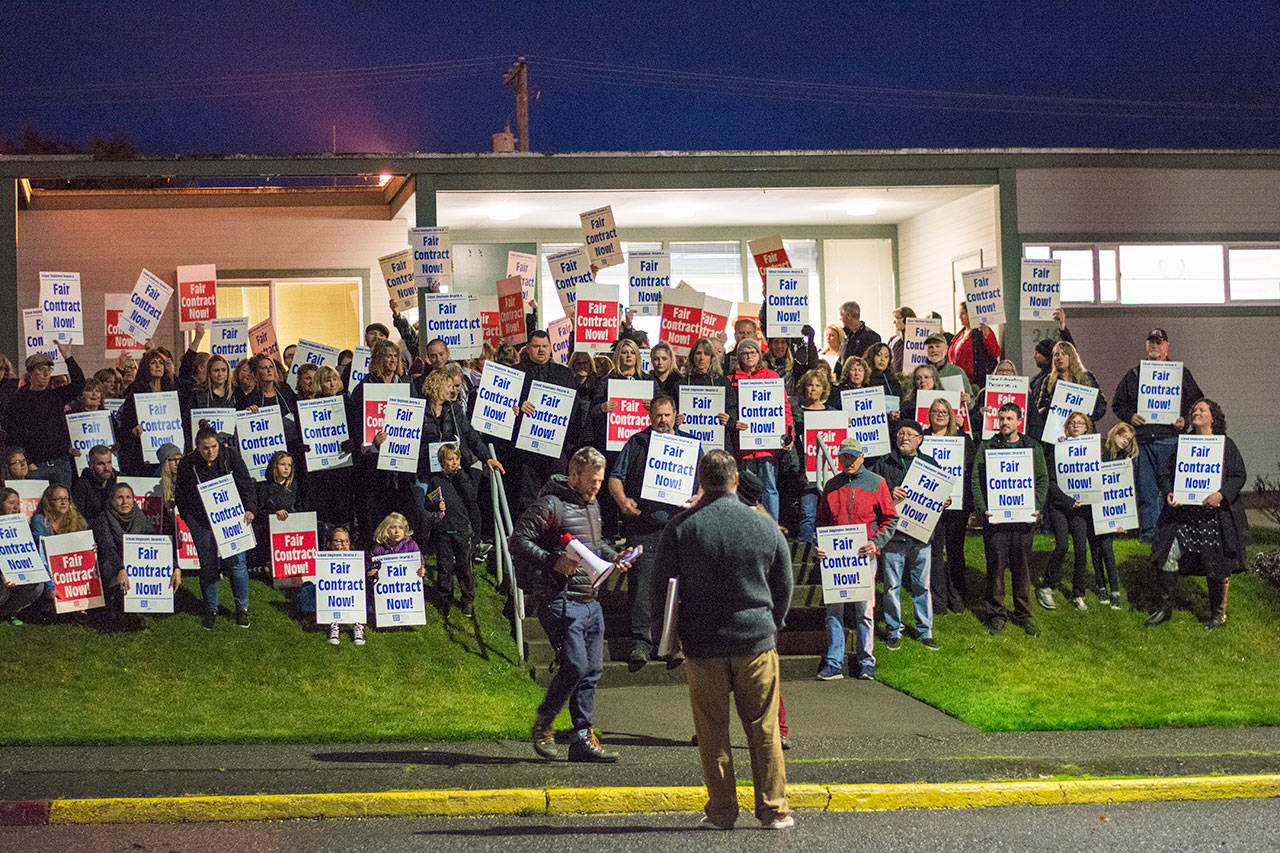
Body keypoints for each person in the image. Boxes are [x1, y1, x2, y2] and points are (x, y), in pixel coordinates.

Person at [653, 449, 794, 830]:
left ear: (701, 481)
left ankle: (721, 812)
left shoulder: (682, 527)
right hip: (756, 641)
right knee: (763, 728)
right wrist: (773, 622)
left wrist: (664, 635)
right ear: (735, 480)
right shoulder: (764, 525)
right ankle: (774, 808)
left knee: (713, 732)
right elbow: (785, 581)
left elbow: (661, 586)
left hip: (703, 645)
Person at [510, 446, 632, 764]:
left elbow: (594, 544)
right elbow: (518, 540)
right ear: (574, 474)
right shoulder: (552, 503)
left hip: (591, 600)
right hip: (560, 600)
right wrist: (553, 561)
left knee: (591, 671)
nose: (596, 487)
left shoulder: (592, 506)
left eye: (600, 481)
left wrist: (614, 556)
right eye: (592, 480)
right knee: (576, 665)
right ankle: (544, 724)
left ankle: (581, 739)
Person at [607, 395, 702, 669]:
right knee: (642, 588)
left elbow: (706, 479)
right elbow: (615, 477)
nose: (662, 420)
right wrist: (623, 501)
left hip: (679, 529)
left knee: (679, 588)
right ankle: (640, 643)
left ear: (675, 415)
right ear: (651, 416)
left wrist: (699, 496)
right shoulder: (637, 442)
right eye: (658, 416)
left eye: (667, 415)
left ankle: (673, 644)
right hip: (644, 528)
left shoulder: (690, 444)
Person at [1146, 399, 1247, 628]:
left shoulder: (1225, 445)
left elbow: (1239, 476)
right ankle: (1165, 608)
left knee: (1215, 564)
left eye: (1202, 409)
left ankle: (1217, 614)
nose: (1196, 412)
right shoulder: (1183, 444)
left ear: (1214, 417)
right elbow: (1164, 474)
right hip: (1183, 516)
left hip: (1213, 516)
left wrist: (1221, 495)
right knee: (1168, 553)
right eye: (1194, 410)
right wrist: (1169, 492)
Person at [1111, 328, 1205, 541]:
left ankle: (1174, 533)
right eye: (1151, 342)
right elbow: (1118, 403)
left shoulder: (1179, 373)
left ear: (1166, 346)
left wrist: (1185, 418)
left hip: (1169, 440)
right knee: (1146, 490)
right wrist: (1130, 416)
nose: (1154, 345)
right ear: (1146, 345)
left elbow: (1197, 400)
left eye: (1159, 342)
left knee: (1172, 491)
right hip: (1143, 442)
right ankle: (1150, 534)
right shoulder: (1134, 374)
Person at [815, 438, 897, 681]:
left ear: (862, 458)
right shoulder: (831, 485)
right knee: (834, 610)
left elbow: (890, 518)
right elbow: (820, 522)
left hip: (864, 557)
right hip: (835, 559)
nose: (848, 461)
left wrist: (876, 542)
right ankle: (834, 662)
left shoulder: (876, 483)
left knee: (864, 611)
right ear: (838, 458)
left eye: (852, 457)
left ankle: (866, 661)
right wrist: (818, 546)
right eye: (844, 457)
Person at [972, 403, 1048, 637]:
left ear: (1019, 420)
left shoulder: (1032, 447)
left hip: (1023, 520)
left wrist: (1035, 507)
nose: (1005, 422)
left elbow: (1043, 479)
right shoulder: (987, 446)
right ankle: (996, 613)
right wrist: (983, 510)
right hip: (995, 521)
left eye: (1009, 418)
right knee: (995, 567)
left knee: (1021, 567)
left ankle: (1023, 614)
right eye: (1001, 418)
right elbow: (976, 480)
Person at [871, 420, 944, 651]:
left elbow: (939, 495)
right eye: (901, 433)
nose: (904, 437)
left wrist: (943, 500)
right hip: (894, 536)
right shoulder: (884, 463)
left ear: (920, 439)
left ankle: (925, 631)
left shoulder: (930, 464)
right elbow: (873, 498)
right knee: (892, 586)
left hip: (921, 537)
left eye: (910, 434)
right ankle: (894, 631)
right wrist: (888, 494)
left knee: (922, 585)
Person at [176, 426, 257, 630]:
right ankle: (211, 609)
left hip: (231, 517)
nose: (210, 451)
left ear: (219, 445)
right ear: (197, 448)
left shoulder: (231, 457)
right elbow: (181, 493)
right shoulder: (188, 463)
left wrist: (250, 509)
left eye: (213, 447)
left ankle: (242, 609)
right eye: (205, 448)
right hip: (201, 520)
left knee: (237, 563)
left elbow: (246, 483)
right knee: (208, 564)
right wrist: (189, 518)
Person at [512, 330, 584, 513]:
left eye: (545, 346)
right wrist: (519, 406)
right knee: (528, 496)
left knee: (559, 490)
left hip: (555, 447)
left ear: (551, 348)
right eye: (536, 346)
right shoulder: (516, 373)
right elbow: (507, 404)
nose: (541, 350)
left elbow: (574, 408)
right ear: (528, 349)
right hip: (526, 449)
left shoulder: (564, 373)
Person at [92, 481, 177, 629]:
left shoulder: (140, 517)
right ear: (111, 500)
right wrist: (121, 569)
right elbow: (107, 547)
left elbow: (155, 543)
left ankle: (138, 606)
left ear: (133, 499)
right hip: (112, 561)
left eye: (128, 497)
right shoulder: (103, 518)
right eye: (119, 498)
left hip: (135, 561)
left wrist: (176, 566)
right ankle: (113, 608)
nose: (125, 501)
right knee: (108, 566)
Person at [726, 338, 794, 521]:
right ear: (738, 357)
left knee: (769, 488)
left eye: (752, 352)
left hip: (767, 445)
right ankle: (749, 527)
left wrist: (789, 435)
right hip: (743, 447)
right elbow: (726, 410)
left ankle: (773, 529)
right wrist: (734, 422)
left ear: (759, 355)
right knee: (746, 490)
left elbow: (784, 408)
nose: (749, 356)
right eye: (744, 353)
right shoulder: (730, 379)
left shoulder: (771, 376)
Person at [5, 347, 84, 488]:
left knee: (62, 507)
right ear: (30, 373)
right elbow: (15, 435)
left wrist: (68, 357)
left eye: (49, 369)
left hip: (61, 464)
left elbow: (79, 383)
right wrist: (28, 463)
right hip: (36, 467)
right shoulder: (18, 401)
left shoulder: (57, 396)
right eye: (41, 369)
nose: (46, 373)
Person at [925, 398, 973, 614]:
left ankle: (957, 595)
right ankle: (938, 600)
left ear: (951, 415)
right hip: (929, 505)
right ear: (929, 415)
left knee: (955, 551)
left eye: (944, 411)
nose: (940, 414)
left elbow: (970, 471)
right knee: (934, 552)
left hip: (956, 507)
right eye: (935, 411)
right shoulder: (923, 438)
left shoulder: (962, 439)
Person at [789, 368, 836, 560]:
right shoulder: (796, 414)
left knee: (831, 516)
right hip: (807, 472)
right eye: (810, 385)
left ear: (823, 389)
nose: (813, 389)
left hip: (830, 474)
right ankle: (804, 557)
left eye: (818, 385)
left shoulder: (833, 413)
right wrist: (798, 470)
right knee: (808, 514)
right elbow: (793, 446)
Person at [1092, 422, 1137, 610]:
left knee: (1107, 549)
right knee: (1095, 550)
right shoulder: (1098, 448)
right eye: (1123, 437)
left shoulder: (1124, 459)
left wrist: (1123, 519)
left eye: (1128, 441)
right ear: (1115, 434)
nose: (1125, 442)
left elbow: (1125, 490)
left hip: (1108, 509)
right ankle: (1101, 586)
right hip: (1092, 505)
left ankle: (1115, 591)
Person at [1028, 340, 1107, 445]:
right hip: (1057, 438)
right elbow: (1040, 409)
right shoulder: (1048, 380)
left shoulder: (1087, 378)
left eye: (1064, 354)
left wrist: (1086, 419)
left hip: (1084, 437)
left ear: (1072, 357)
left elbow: (1101, 405)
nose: (1059, 357)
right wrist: (1049, 410)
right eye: (1056, 355)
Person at [116, 349, 179, 476]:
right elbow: (123, 429)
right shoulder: (136, 394)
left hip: (170, 455)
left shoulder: (173, 392)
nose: (158, 366)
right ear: (146, 367)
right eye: (153, 363)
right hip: (142, 457)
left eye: (161, 363)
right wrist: (132, 432)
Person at [368, 511, 426, 630]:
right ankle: (385, 617)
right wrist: (371, 572)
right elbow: (371, 565)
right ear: (385, 530)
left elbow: (419, 561)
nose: (397, 531)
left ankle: (406, 617)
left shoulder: (411, 545)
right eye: (393, 528)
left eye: (400, 528)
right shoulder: (378, 548)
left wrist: (421, 569)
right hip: (386, 591)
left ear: (405, 530)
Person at [0, 487, 44, 624]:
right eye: (11, 503)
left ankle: (8, 613)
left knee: (38, 586)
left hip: (16, 573)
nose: (15, 507)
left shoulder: (23, 526)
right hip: (2, 576)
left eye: (18, 503)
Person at [321, 524, 365, 645]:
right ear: (329, 544)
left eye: (346, 541)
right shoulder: (323, 562)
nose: (343, 544)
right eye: (338, 541)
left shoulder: (357, 561)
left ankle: (358, 626)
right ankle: (334, 626)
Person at [947, 302, 1001, 387]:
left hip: (975, 383)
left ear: (971, 314)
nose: (960, 317)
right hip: (957, 381)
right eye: (959, 314)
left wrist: (986, 332)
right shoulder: (959, 335)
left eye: (963, 314)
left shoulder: (982, 332)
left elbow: (995, 352)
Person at [69, 445, 118, 525]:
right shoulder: (81, 484)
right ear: (90, 465)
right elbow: (77, 517)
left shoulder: (119, 479)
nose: (106, 468)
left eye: (109, 462)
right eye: (101, 464)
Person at [838, 301, 881, 366]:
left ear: (848, 316)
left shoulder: (872, 337)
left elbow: (870, 364)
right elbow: (841, 360)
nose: (840, 319)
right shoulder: (846, 336)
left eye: (841, 315)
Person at [887, 306, 915, 374]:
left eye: (897, 318)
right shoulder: (893, 340)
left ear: (906, 319)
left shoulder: (919, 341)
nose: (894, 322)